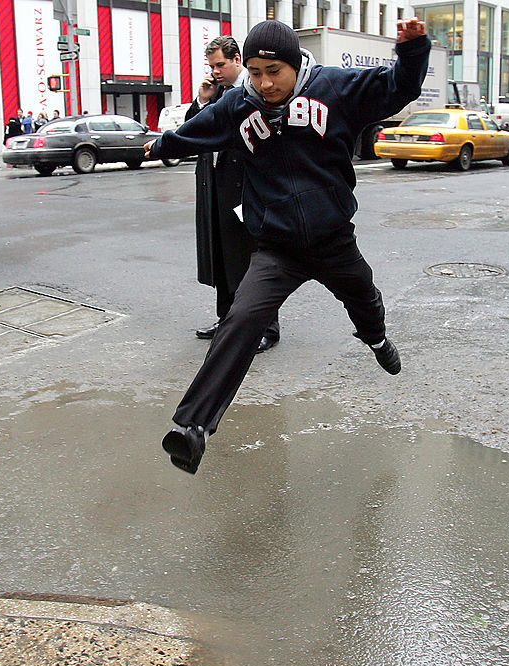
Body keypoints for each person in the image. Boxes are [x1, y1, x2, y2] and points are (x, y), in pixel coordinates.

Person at [144, 18, 430, 474]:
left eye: (274, 71)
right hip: (276, 247)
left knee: (364, 298)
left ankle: (376, 341)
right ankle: (194, 428)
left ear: (294, 64)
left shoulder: (336, 89)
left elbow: (398, 87)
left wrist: (413, 50)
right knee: (241, 317)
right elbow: (199, 130)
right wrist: (162, 144)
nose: (264, 82)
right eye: (255, 72)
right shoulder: (240, 104)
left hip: (333, 240)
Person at [186, 35, 280, 354]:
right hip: (218, 186)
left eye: (220, 65)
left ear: (237, 59)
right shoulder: (218, 94)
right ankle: (227, 319)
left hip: (248, 188)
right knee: (225, 259)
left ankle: (266, 327)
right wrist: (202, 101)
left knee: (254, 261)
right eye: (211, 66)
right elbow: (194, 130)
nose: (215, 71)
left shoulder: (253, 90)